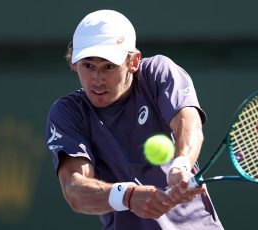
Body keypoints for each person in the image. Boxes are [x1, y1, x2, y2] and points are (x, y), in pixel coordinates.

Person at [45, 9, 224, 230]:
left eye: (109, 66)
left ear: (134, 61)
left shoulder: (157, 73)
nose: (97, 79)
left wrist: (181, 165)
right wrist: (127, 196)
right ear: (73, 62)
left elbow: (189, 123)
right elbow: (75, 191)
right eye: (88, 65)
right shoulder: (68, 112)